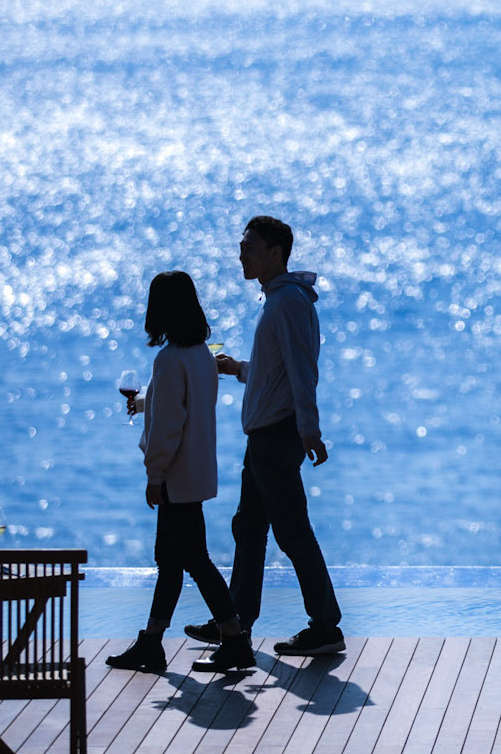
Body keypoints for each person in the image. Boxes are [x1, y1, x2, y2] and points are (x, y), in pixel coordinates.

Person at [189, 216, 343, 658]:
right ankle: (235, 622)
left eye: (251, 248)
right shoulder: (279, 300)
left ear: (276, 252)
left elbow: (301, 369)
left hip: (277, 437)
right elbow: (278, 372)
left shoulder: (287, 302)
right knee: (249, 528)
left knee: (291, 531)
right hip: (265, 438)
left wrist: (309, 429)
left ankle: (325, 626)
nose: (242, 255)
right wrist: (239, 369)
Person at [106, 272, 254, 673]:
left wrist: (154, 476)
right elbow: (176, 405)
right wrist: (143, 405)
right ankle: (151, 642)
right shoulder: (201, 355)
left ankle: (235, 638)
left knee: (194, 560)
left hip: (174, 477)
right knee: (171, 560)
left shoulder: (170, 359)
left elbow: (168, 425)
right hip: (196, 471)